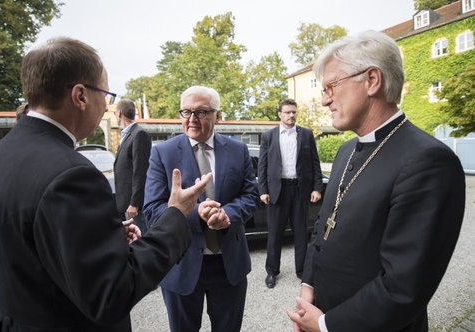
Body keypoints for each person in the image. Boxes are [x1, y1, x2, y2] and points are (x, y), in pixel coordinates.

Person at [0, 38, 211, 332]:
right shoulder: (71, 175)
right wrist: (177, 213)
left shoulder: (8, 148)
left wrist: (100, 234)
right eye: (105, 94)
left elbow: (36, 234)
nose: (106, 105)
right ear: (80, 95)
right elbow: (111, 293)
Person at [286, 30, 465, 332]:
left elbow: (403, 286)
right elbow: (324, 226)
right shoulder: (346, 150)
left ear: (371, 80)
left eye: (331, 85)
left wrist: (327, 325)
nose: (324, 99)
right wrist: (308, 284)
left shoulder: (429, 161)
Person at [143, 85, 259, 332]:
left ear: (218, 116)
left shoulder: (238, 151)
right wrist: (197, 214)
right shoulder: (162, 153)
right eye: (186, 112)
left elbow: (251, 196)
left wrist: (227, 215)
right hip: (180, 263)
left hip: (228, 264)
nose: (191, 119)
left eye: (201, 112)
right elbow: (152, 210)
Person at [258, 98, 323, 288]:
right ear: (280, 114)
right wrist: (263, 190)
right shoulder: (269, 136)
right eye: (287, 112)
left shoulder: (306, 134)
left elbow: (314, 163)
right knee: (274, 234)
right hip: (277, 191)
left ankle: (302, 271)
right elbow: (262, 165)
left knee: (301, 233)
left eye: (294, 112)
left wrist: (317, 187)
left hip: (300, 190)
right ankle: (271, 271)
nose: (291, 115)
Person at [114, 99, 152, 233]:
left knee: (142, 242)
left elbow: (140, 171)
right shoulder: (126, 135)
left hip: (135, 207)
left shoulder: (139, 134)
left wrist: (134, 203)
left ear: (119, 114)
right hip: (126, 204)